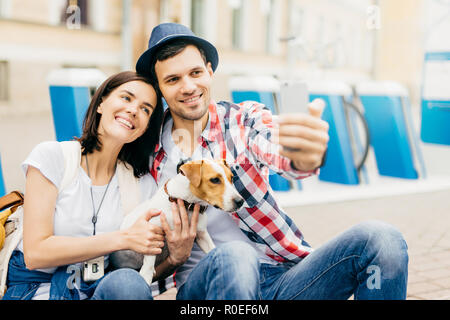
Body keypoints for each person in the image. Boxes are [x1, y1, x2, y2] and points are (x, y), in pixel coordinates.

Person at [135, 23, 409, 300]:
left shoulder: (243, 120)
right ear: (158, 87)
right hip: (207, 285)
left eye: (195, 73)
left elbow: (273, 145)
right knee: (236, 255)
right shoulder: (147, 150)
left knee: (382, 239)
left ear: (209, 70)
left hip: (282, 280)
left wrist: (301, 157)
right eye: (173, 80)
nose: (188, 87)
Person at [2, 71, 197, 300]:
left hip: (98, 289)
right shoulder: (53, 157)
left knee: (126, 283)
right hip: (37, 290)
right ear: (101, 104)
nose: (134, 110)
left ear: (145, 128)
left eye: (145, 109)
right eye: (126, 98)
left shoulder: (141, 185)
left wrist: (175, 259)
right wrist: (122, 238)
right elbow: (36, 253)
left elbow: (137, 282)